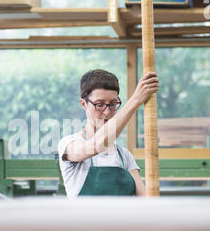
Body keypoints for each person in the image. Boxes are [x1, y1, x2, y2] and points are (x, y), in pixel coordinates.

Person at [58, 69, 159, 198]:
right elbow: (96, 146)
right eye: (99, 105)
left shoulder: (124, 156)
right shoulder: (68, 144)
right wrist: (135, 100)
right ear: (84, 104)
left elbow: (145, 200)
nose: (107, 112)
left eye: (113, 104)